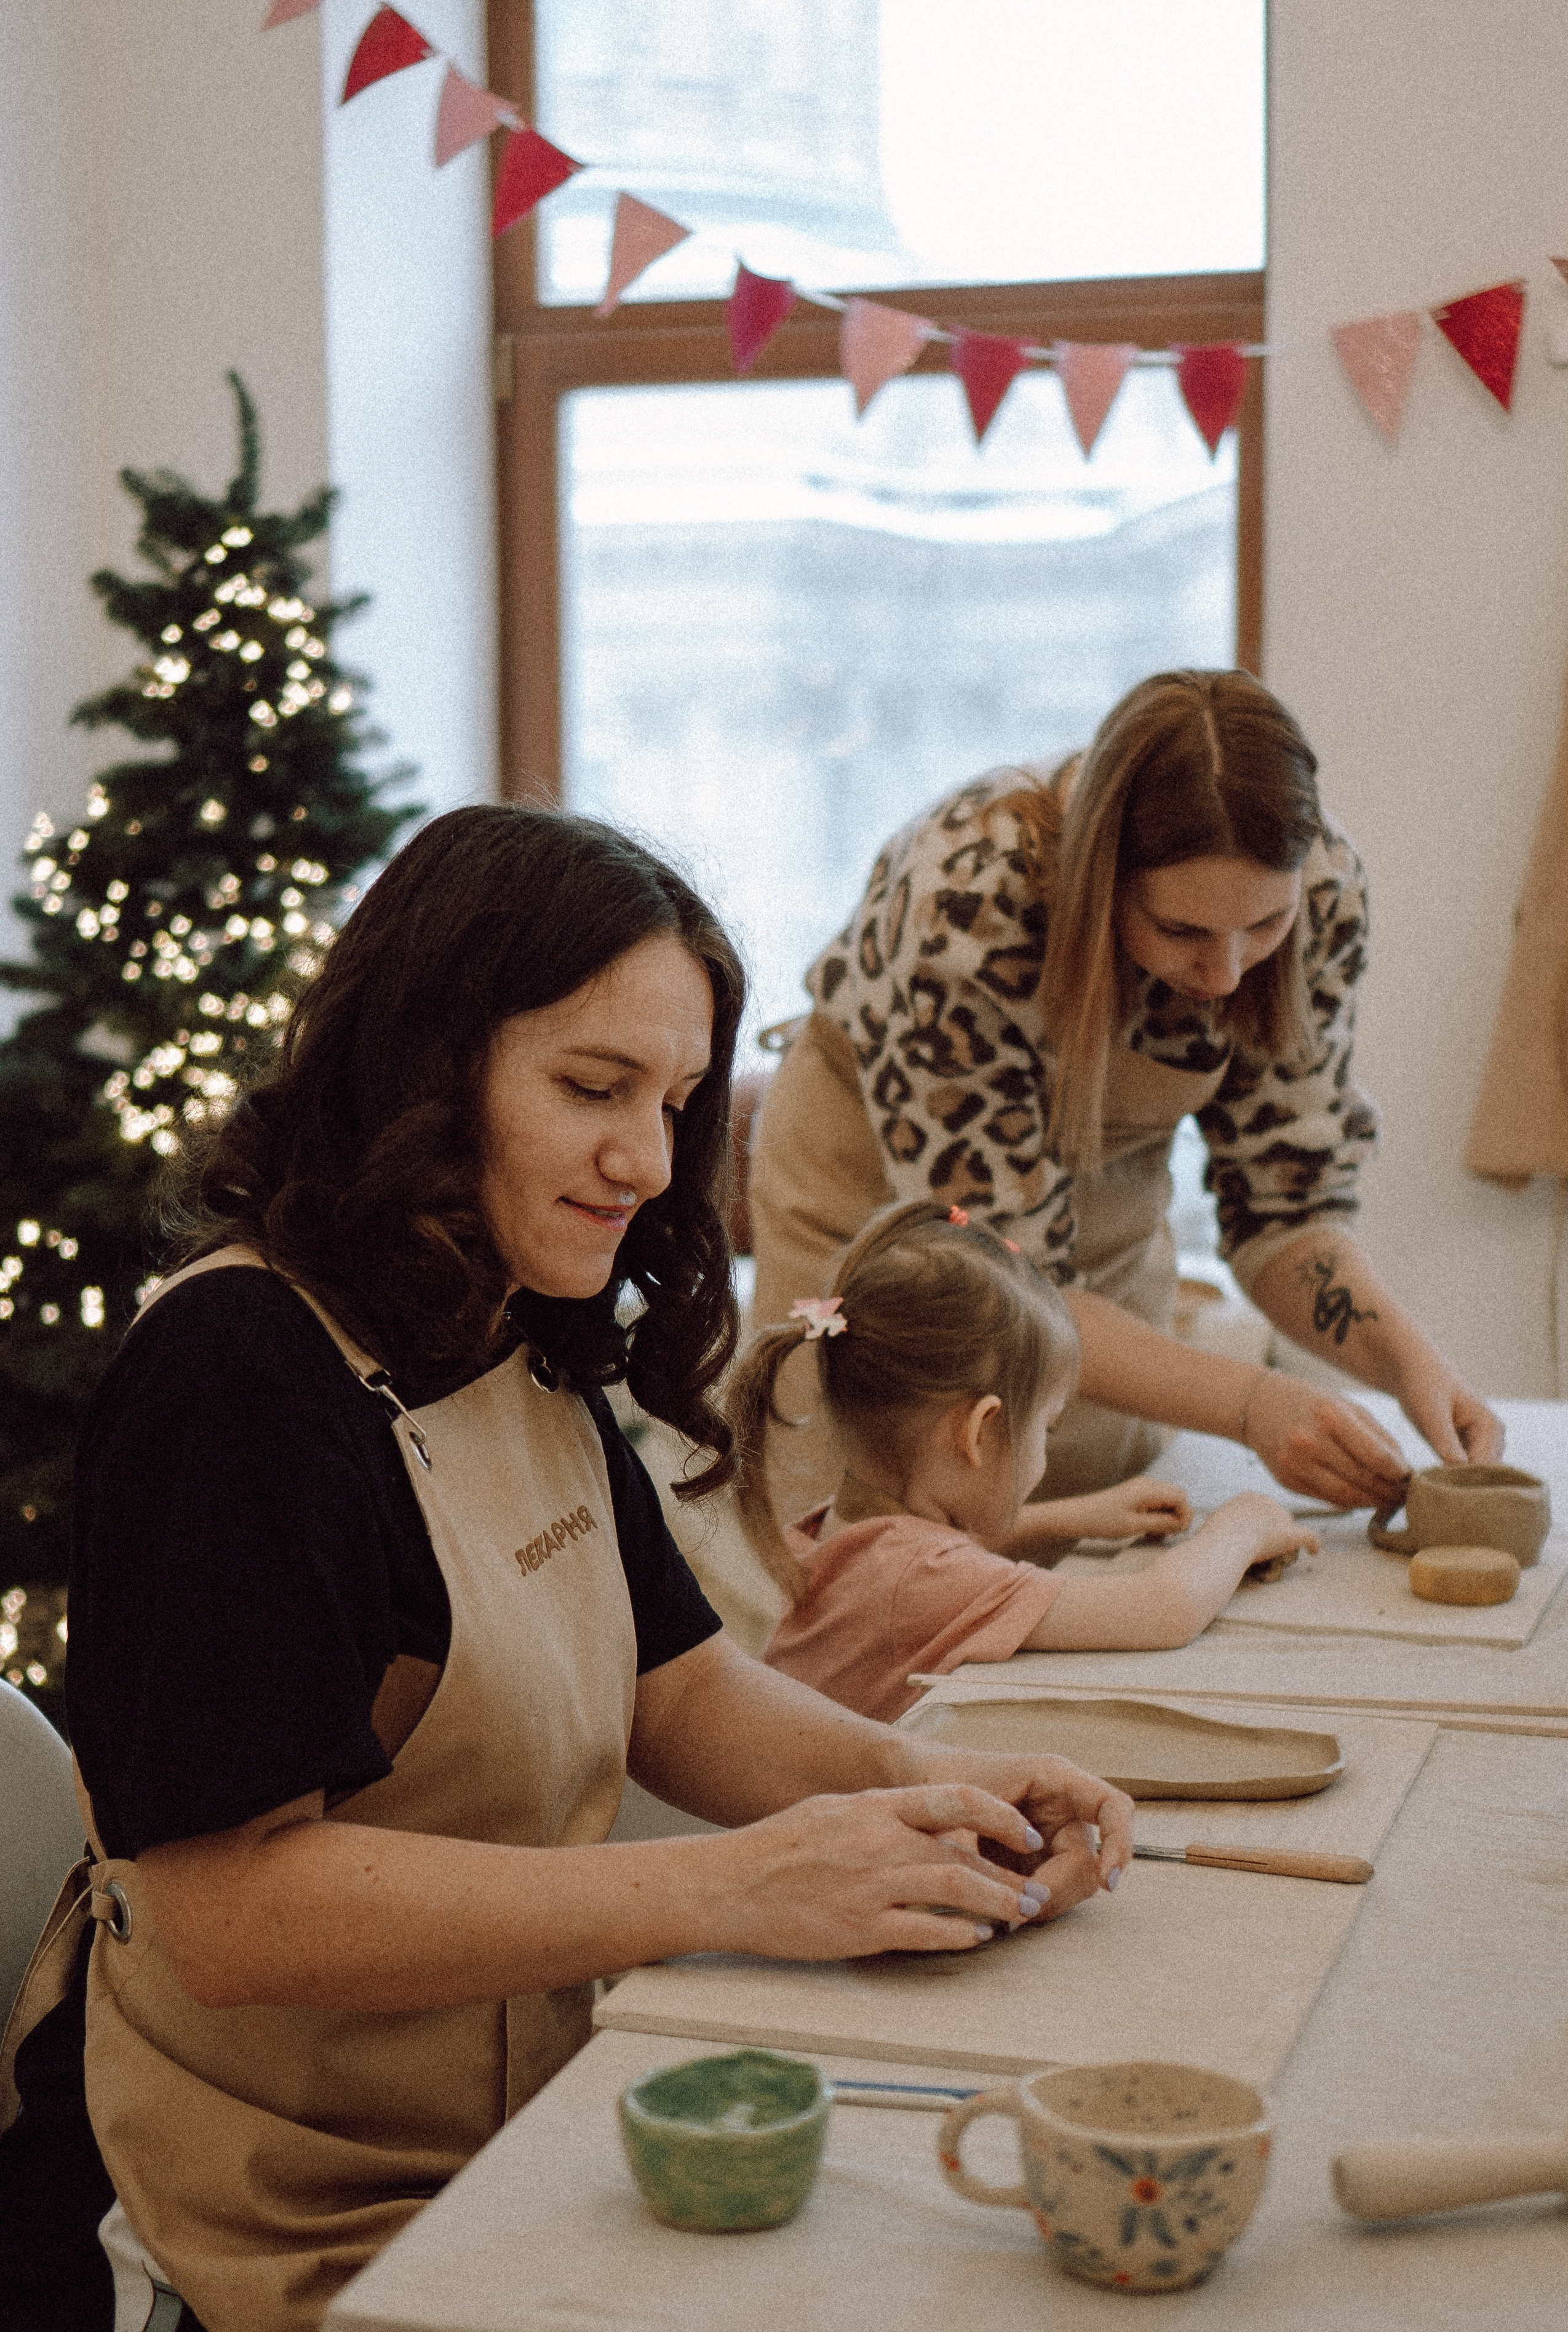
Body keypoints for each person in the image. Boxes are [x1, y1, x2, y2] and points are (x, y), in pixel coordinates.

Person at [1, 809, 1133, 2332]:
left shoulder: (509, 1315)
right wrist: (726, 1885)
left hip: (503, 2130)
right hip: (260, 2206)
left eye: (673, 1101)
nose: (645, 1159)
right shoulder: (237, 1380)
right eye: (590, 1088)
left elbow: (677, 1688)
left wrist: (939, 1788)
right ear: (421, 1064)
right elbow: (227, 1909)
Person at [747, 669, 1504, 1536]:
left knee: (1097, 1530)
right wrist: (1252, 1404)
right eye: (1182, 932)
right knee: (869, 1556)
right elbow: (1005, 1274)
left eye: (1263, 928)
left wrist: (1408, 1365)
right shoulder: (965, 902)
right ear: (1101, 884)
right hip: (873, 1203)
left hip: (1099, 1219)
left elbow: (1286, 1212)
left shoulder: (1322, 892)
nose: (1226, 974)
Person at [731, 1201, 1315, 1723]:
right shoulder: (917, 1582)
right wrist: (1243, 1525)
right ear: (979, 1432)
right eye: (1047, 1427)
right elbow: (1164, 1611)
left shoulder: (837, 1527)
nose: (1046, 1447)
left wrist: (1074, 1517)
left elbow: (939, 1552)